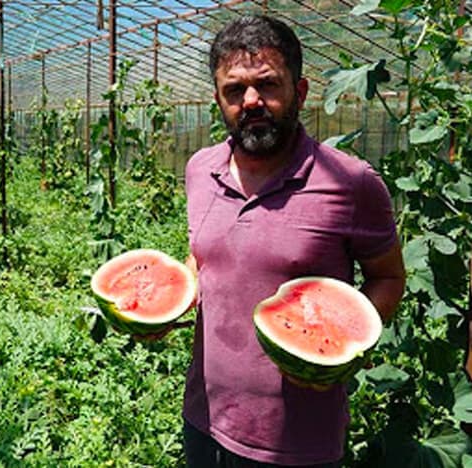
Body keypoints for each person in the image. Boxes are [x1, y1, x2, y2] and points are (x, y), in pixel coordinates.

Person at [174, 15, 405, 467]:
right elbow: (202, 260)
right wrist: (175, 298)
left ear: (299, 92)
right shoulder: (199, 169)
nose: (252, 101)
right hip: (203, 421)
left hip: (298, 444)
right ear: (219, 99)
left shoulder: (352, 182)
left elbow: (389, 277)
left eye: (268, 85)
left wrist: (345, 348)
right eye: (234, 91)